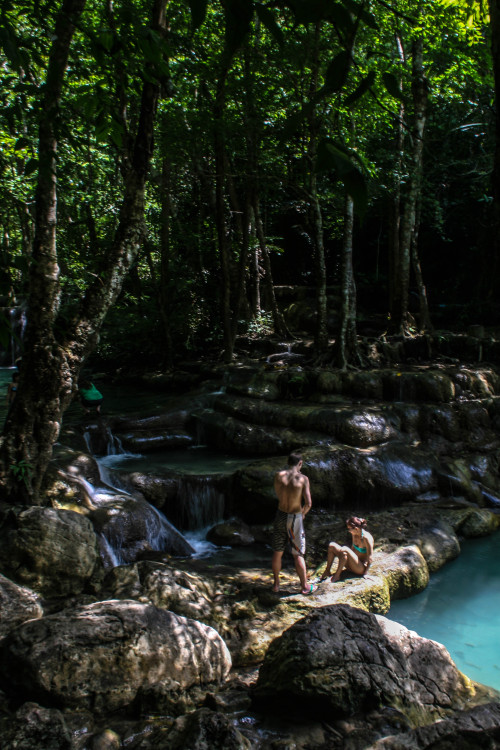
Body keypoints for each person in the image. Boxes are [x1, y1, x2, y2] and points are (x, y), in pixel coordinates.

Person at [271, 451, 317, 595]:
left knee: (277, 551)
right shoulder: (303, 479)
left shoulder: (278, 476)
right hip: (294, 517)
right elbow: (308, 503)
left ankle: (276, 585)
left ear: (288, 462)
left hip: (280, 515)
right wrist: (302, 514)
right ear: (300, 463)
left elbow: (279, 493)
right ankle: (304, 586)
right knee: (297, 553)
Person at [321, 516, 374, 583]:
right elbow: (352, 549)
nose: (349, 531)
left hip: (360, 568)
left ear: (356, 529)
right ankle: (327, 571)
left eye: (350, 529)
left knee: (345, 549)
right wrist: (345, 558)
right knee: (332, 545)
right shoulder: (354, 534)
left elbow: (370, 557)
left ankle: (337, 576)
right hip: (351, 565)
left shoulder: (367, 538)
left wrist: (365, 573)